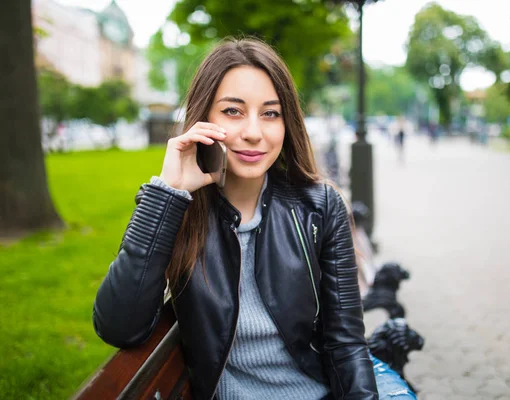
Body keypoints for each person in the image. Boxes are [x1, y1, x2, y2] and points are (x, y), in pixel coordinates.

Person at [92, 38, 412, 400]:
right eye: (233, 111)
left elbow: (346, 342)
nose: (254, 132)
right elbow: (118, 327)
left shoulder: (319, 207)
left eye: (270, 113)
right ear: (203, 118)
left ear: (287, 122)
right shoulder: (177, 209)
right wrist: (167, 193)